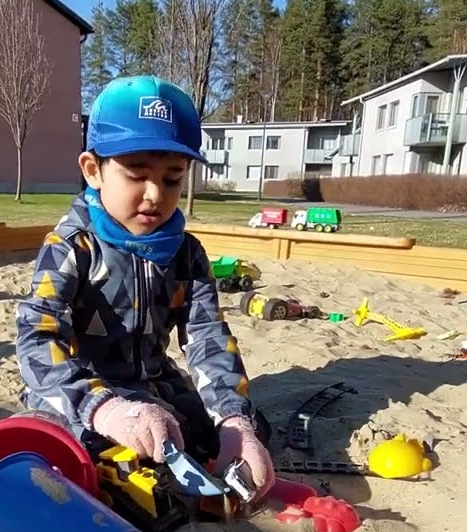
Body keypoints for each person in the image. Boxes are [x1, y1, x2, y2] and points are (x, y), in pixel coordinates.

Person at [14, 75, 276, 497]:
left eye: (172, 179)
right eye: (137, 175)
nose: (154, 194)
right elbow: (37, 337)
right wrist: (103, 408)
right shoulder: (71, 247)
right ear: (93, 170)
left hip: (151, 381)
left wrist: (234, 421)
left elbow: (207, 338)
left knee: (238, 432)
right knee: (75, 451)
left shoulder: (186, 254)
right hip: (80, 387)